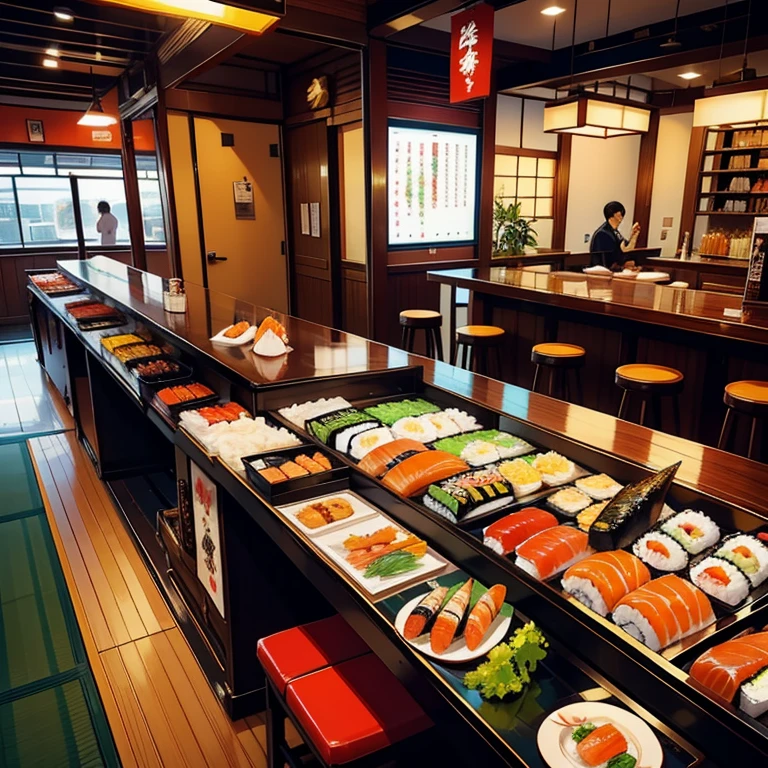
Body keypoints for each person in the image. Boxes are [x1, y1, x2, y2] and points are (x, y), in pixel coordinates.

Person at [589, 201, 640, 270]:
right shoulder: (602, 234)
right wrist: (623, 266)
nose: (621, 216)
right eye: (619, 213)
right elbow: (607, 261)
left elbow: (627, 248)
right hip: (604, 273)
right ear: (612, 215)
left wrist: (634, 235)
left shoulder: (615, 232)